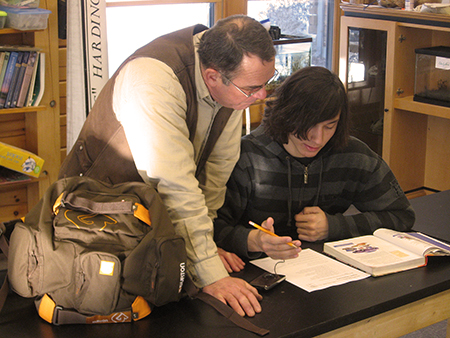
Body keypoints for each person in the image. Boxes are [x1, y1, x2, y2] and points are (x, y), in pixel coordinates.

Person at [58, 15, 277, 317]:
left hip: (152, 219)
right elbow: (176, 187)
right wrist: (211, 274)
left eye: (268, 81)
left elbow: (215, 176)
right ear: (213, 76)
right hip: (96, 221)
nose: (262, 96)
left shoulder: (231, 88)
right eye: (252, 88)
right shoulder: (151, 80)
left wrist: (205, 248)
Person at [214, 66, 416, 263]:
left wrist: (334, 226)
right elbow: (210, 227)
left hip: (326, 274)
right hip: (256, 276)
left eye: (330, 126)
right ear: (287, 115)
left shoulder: (353, 155)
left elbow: (400, 216)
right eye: (309, 125)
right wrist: (252, 241)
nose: (318, 139)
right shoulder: (247, 156)